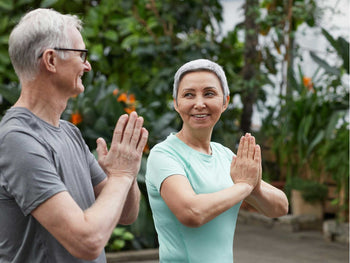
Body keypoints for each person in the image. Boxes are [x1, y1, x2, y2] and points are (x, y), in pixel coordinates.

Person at [0, 8, 148, 263]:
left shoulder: (70, 133)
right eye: (82, 55)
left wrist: (127, 172)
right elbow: (87, 241)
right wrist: (121, 176)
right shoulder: (18, 139)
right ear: (51, 61)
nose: (87, 65)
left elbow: (126, 214)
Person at [145, 59, 289, 263]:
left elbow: (280, 207)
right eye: (188, 95)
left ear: (225, 102)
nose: (199, 103)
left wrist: (254, 187)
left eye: (209, 93)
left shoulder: (224, 155)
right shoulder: (164, 155)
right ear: (176, 104)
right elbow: (191, 212)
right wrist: (244, 186)